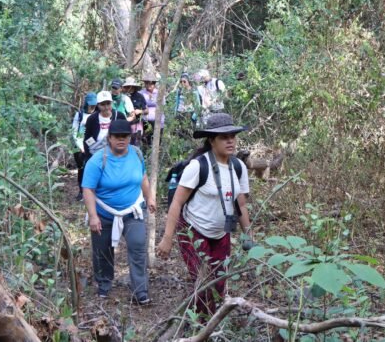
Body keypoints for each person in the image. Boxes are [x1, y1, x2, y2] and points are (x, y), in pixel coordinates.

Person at [157, 113, 253, 317]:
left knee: (219, 281)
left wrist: (249, 237)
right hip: (193, 230)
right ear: (211, 140)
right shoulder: (198, 166)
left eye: (232, 136)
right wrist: (167, 239)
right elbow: (177, 202)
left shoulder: (238, 167)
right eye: (223, 137)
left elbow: (242, 205)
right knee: (203, 280)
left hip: (221, 233)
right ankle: (198, 327)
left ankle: (213, 321)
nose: (230, 141)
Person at [81, 119, 157, 303]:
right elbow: (88, 188)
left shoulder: (137, 154)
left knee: (138, 246)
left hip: (133, 210)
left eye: (125, 136)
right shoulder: (98, 160)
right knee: (103, 250)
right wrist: (93, 216)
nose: (121, 139)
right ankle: (104, 284)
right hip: (104, 212)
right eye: (117, 136)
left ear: (130, 137)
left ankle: (140, 290)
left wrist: (150, 197)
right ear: (110, 138)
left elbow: (143, 177)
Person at [71, 92, 98, 201]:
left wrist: (89, 147)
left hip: (91, 145)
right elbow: (74, 132)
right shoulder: (79, 114)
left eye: (94, 104)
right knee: (81, 169)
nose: (92, 106)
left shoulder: (97, 115)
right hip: (78, 146)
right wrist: (81, 146)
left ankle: (92, 192)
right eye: (90, 104)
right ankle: (81, 192)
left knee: (92, 169)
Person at [139, 72, 163, 147]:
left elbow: (163, 105)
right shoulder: (141, 93)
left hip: (158, 120)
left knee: (158, 140)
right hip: (146, 120)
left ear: (154, 84)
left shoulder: (159, 93)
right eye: (147, 83)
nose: (149, 85)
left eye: (151, 83)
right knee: (147, 140)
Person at [122, 77, 147, 147]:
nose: (128, 88)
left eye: (130, 86)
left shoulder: (139, 96)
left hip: (137, 124)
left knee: (136, 143)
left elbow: (146, 110)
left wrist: (140, 111)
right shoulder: (122, 97)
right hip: (125, 123)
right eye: (127, 87)